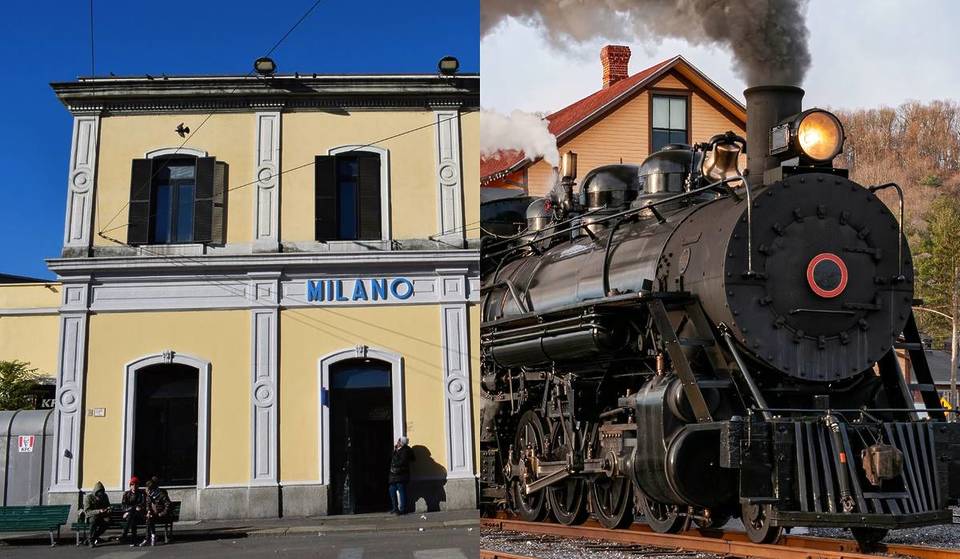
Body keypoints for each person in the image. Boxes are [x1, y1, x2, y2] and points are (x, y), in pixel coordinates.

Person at [388, 436, 416, 515]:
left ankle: (402, 509)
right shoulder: (398, 450)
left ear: (402, 443)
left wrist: (394, 464)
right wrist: (395, 451)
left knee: (401, 491)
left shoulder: (405, 451)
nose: (397, 442)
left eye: (399, 441)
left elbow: (401, 462)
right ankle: (395, 508)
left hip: (401, 474)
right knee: (392, 490)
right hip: (394, 475)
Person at [142, 477, 172, 546]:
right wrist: (149, 511)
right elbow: (148, 505)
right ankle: (152, 536)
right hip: (153, 515)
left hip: (162, 516)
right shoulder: (149, 495)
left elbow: (168, 505)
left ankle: (148, 538)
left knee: (149, 519)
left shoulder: (162, 494)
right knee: (149, 518)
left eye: (149, 489)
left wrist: (162, 513)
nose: (147, 491)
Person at [82, 481, 110, 547]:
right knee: (93, 520)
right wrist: (99, 511)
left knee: (107, 521)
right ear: (96, 493)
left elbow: (107, 505)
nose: (100, 496)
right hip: (91, 517)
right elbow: (87, 511)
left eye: (102, 493)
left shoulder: (105, 496)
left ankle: (91, 538)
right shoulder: (88, 498)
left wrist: (108, 509)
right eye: (99, 494)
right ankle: (91, 541)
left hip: (102, 516)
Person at [120, 476, 147, 546]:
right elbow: (123, 506)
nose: (134, 486)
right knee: (132, 518)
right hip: (130, 515)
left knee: (132, 515)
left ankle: (124, 535)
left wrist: (131, 510)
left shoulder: (142, 493)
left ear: (138, 485)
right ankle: (133, 540)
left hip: (140, 515)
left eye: (136, 484)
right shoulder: (126, 494)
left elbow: (144, 504)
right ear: (130, 486)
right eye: (132, 485)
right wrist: (129, 511)